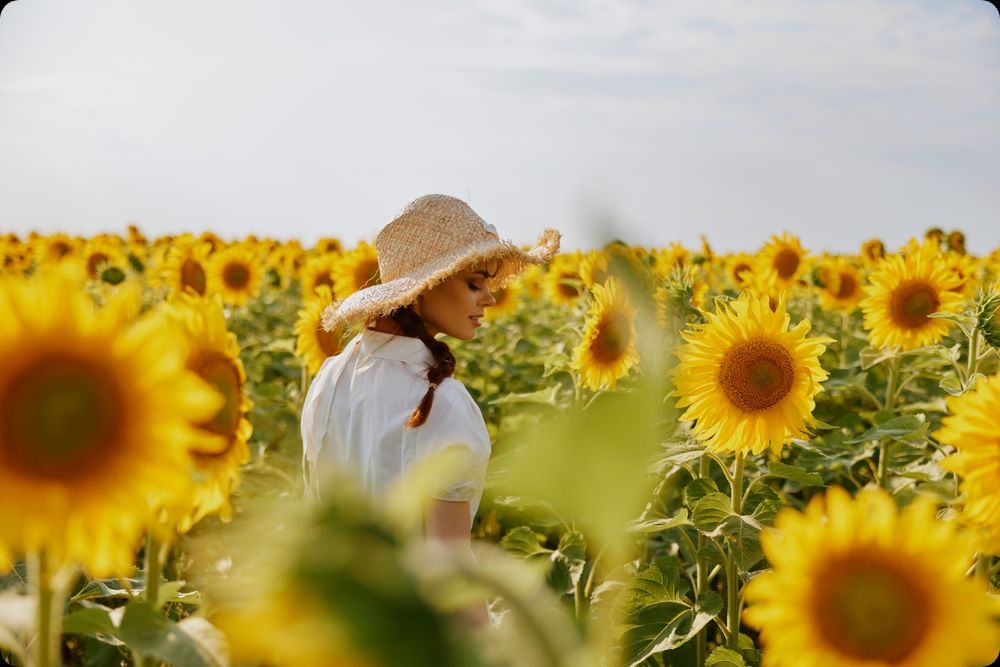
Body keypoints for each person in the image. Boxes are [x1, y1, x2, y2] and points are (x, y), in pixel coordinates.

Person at [300, 194, 560, 617]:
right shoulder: (442, 405)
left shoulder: (329, 377)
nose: (489, 299)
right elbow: (453, 593)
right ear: (427, 286)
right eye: (475, 283)